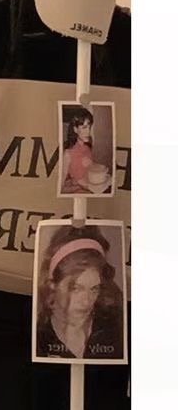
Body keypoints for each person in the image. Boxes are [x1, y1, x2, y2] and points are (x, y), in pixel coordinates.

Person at [36, 225, 124, 360]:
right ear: (52, 284)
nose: (86, 302)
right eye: (76, 289)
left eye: (94, 289)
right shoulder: (39, 336)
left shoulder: (115, 328)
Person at [61, 106, 109, 194]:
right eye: (84, 127)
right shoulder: (68, 153)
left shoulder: (87, 148)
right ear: (75, 129)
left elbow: (90, 172)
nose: (88, 132)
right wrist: (78, 187)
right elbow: (60, 188)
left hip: (94, 190)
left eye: (89, 127)